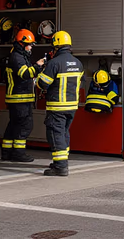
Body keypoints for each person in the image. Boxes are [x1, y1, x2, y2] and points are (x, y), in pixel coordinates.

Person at [36, 31, 84, 177]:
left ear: (56, 46)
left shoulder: (54, 63)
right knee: (63, 133)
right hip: (72, 107)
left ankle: (60, 166)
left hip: (57, 106)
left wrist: (40, 72)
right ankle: (61, 161)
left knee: (55, 134)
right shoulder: (78, 63)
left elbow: (42, 84)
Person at [2, 29, 45, 162]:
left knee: (14, 125)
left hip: (17, 98)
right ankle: (18, 153)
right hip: (19, 98)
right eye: (30, 44)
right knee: (25, 125)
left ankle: (7, 152)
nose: (31, 47)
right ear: (22, 43)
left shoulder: (18, 55)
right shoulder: (17, 57)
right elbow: (24, 74)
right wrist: (38, 66)